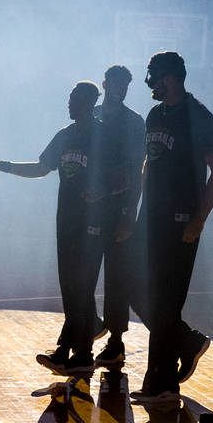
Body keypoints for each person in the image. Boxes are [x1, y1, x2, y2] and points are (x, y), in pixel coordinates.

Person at [0, 82, 119, 376]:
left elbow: (125, 179)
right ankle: (74, 352)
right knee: (70, 288)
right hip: (67, 221)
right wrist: (5, 165)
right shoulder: (65, 135)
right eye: (69, 99)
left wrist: (102, 192)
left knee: (82, 288)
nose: (69, 105)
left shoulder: (105, 137)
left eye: (74, 100)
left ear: (88, 102)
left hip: (93, 223)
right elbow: (41, 168)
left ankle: (80, 354)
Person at [131, 51, 213, 403]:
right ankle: (185, 340)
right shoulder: (155, 114)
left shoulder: (198, 115)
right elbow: (147, 165)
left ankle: (163, 385)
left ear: (170, 78)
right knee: (133, 286)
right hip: (150, 220)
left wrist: (199, 219)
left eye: (154, 77)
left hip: (180, 221)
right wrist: (137, 212)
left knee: (166, 300)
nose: (150, 84)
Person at [91, 65, 146, 368]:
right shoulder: (92, 116)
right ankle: (89, 326)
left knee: (116, 277)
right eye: (116, 83)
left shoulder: (134, 122)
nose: (121, 88)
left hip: (117, 211)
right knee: (81, 273)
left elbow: (135, 172)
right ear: (105, 84)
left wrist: (128, 214)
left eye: (126, 84)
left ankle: (115, 342)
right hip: (89, 208)